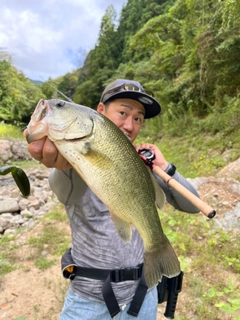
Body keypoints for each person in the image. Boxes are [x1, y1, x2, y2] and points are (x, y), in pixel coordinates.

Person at [26, 79, 200, 320]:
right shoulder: (73, 159)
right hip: (88, 302)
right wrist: (63, 165)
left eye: (138, 118)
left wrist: (165, 167)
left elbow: (193, 205)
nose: (129, 124)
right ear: (100, 112)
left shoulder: (143, 164)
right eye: (122, 112)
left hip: (142, 296)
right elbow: (65, 189)